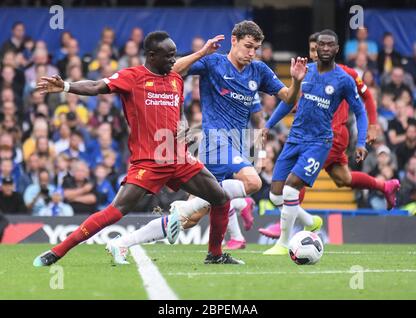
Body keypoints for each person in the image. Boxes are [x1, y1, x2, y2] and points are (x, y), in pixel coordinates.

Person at [33, 31, 242, 267]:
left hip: (180, 158)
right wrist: (66, 86)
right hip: (149, 161)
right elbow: (95, 85)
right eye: (169, 56)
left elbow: (179, 111)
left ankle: (214, 254)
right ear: (152, 56)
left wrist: (183, 124)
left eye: (175, 56)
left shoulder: (176, 80)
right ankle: (57, 251)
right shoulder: (132, 77)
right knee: (115, 211)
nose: (173, 61)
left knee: (221, 198)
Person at [106, 20, 307, 259]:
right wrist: (201, 52)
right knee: (253, 182)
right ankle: (237, 206)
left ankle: (123, 242)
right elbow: (172, 70)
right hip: (215, 142)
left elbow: (289, 99)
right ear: (234, 41)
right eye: (248, 46)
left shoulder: (259, 70)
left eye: (256, 48)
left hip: (238, 143)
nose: (252, 52)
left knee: (186, 220)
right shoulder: (214, 63)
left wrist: (295, 82)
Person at [259, 31, 401, 243]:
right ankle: (384, 186)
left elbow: (367, 98)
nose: (316, 53)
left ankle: (286, 225)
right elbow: (290, 99)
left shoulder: (346, 74)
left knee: (295, 179)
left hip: (331, 136)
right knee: (343, 178)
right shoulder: (306, 71)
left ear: (335, 49)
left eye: (323, 47)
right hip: (313, 134)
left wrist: (371, 125)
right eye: (313, 49)